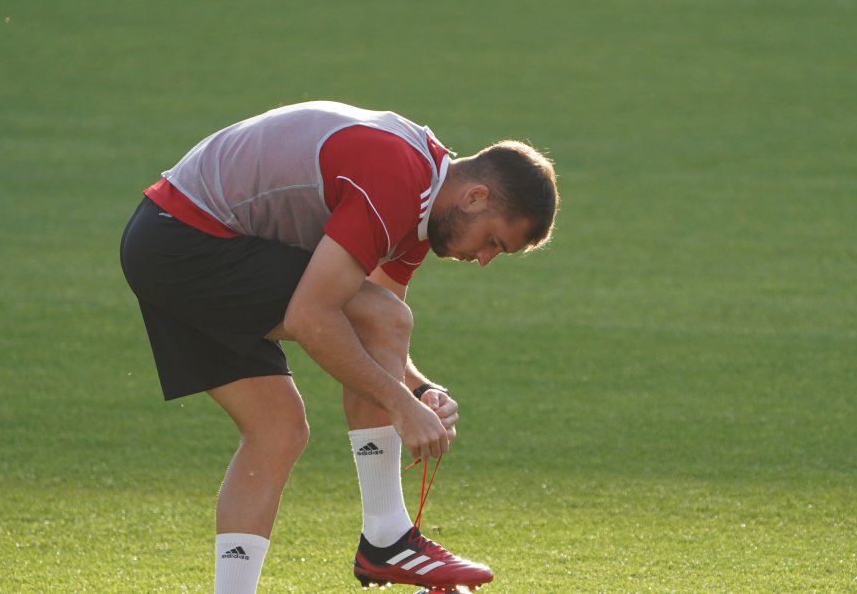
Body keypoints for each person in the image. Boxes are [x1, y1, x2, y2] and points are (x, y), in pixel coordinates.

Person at [119, 100, 558, 593]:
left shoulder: (423, 203)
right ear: (476, 197)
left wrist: (418, 390)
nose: (483, 259)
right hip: (186, 240)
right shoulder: (397, 180)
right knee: (382, 319)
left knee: (277, 430)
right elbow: (315, 317)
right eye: (493, 241)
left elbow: (379, 337)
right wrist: (400, 407)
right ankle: (386, 537)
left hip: (166, 240)